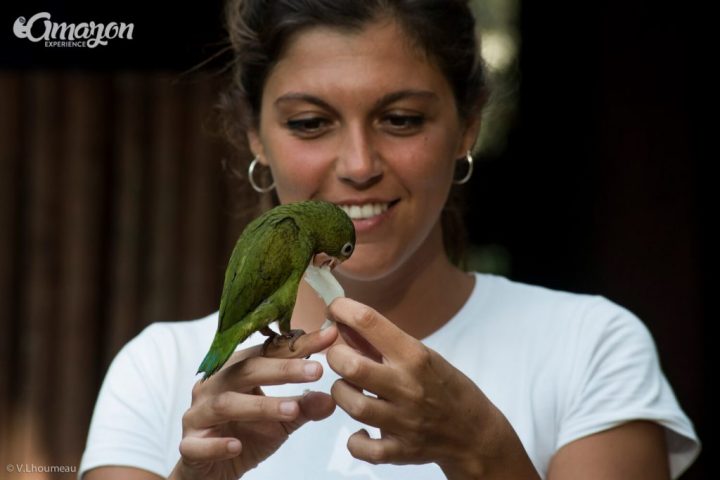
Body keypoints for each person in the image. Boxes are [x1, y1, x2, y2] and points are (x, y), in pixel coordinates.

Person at [79, 0, 700, 479]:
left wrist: (483, 453)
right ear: (255, 137)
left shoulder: (591, 347)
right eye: (309, 122)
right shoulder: (159, 370)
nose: (358, 164)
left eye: (401, 119)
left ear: (469, 126)